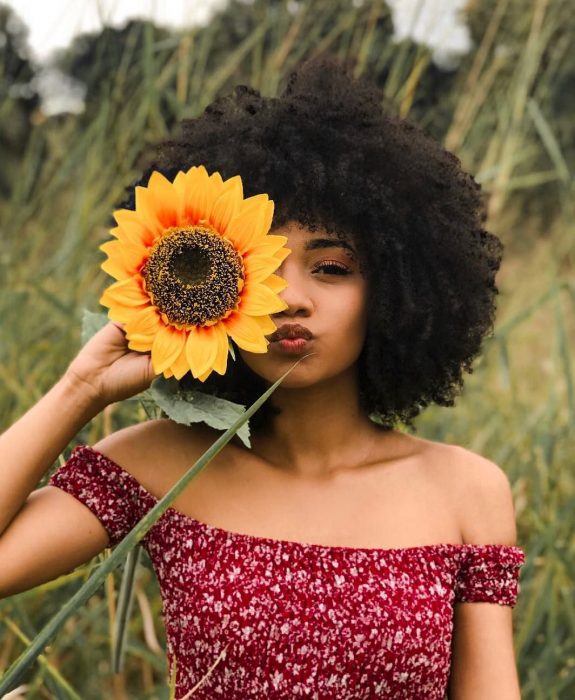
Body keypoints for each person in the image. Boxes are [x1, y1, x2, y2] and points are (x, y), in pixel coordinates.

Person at [0, 56, 525, 698]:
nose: (289, 300)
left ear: (396, 289)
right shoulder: (160, 465)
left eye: (330, 268)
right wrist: (81, 389)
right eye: (260, 267)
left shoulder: (465, 491)